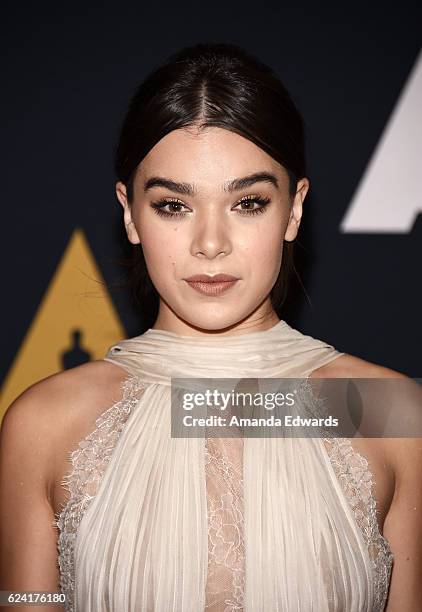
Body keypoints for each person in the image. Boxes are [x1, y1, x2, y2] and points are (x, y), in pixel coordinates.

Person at [0, 42, 421, 612]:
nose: (210, 245)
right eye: (173, 205)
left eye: (248, 202)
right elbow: (25, 598)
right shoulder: (45, 423)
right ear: (129, 212)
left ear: (294, 209)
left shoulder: (387, 410)